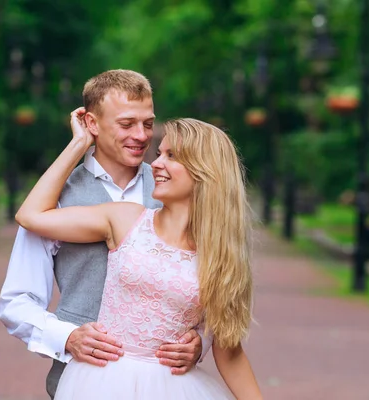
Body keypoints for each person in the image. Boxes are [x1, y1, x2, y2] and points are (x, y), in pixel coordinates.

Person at [15, 110, 262, 399]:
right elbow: (30, 215)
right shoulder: (125, 219)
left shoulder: (221, 257)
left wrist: (200, 342)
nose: (155, 164)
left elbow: (229, 352)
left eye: (172, 156)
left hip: (175, 388)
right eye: (159, 153)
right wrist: (79, 144)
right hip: (100, 383)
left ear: (205, 171)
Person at [0, 70, 209, 399]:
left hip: (164, 384)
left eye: (148, 123)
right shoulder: (52, 200)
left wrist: (200, 339)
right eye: (127, 124)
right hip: (82, 382)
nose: (142, 136)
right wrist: (67, 337)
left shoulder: (175, 189)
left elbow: (208, 283)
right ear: (92, 124)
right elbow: (16, 301)